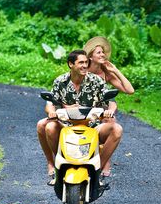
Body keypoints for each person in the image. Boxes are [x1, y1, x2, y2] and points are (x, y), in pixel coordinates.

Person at [37, 50, 123, 185]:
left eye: (86, 62)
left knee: (117, 129)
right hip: (66, 125)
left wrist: (110, 111)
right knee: (48, 125)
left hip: (92, 126)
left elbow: (111, 101)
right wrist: (52, 112)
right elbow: (50, 104)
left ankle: (97, 170)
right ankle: (59, 166)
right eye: (81, 62)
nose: (84, 66)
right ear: (71, 64)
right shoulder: (60, 81)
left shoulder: (96, 80)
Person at [83, 36, 134, 177]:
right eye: (99, 52)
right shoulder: (82, 70)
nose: (103, 55)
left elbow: (130, 90)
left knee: (111, 121)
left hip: (103, 112)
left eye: (103, 52)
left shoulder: (105, 73)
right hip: (86, 110)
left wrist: (115, 70)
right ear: (91, 56)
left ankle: (104, 162)